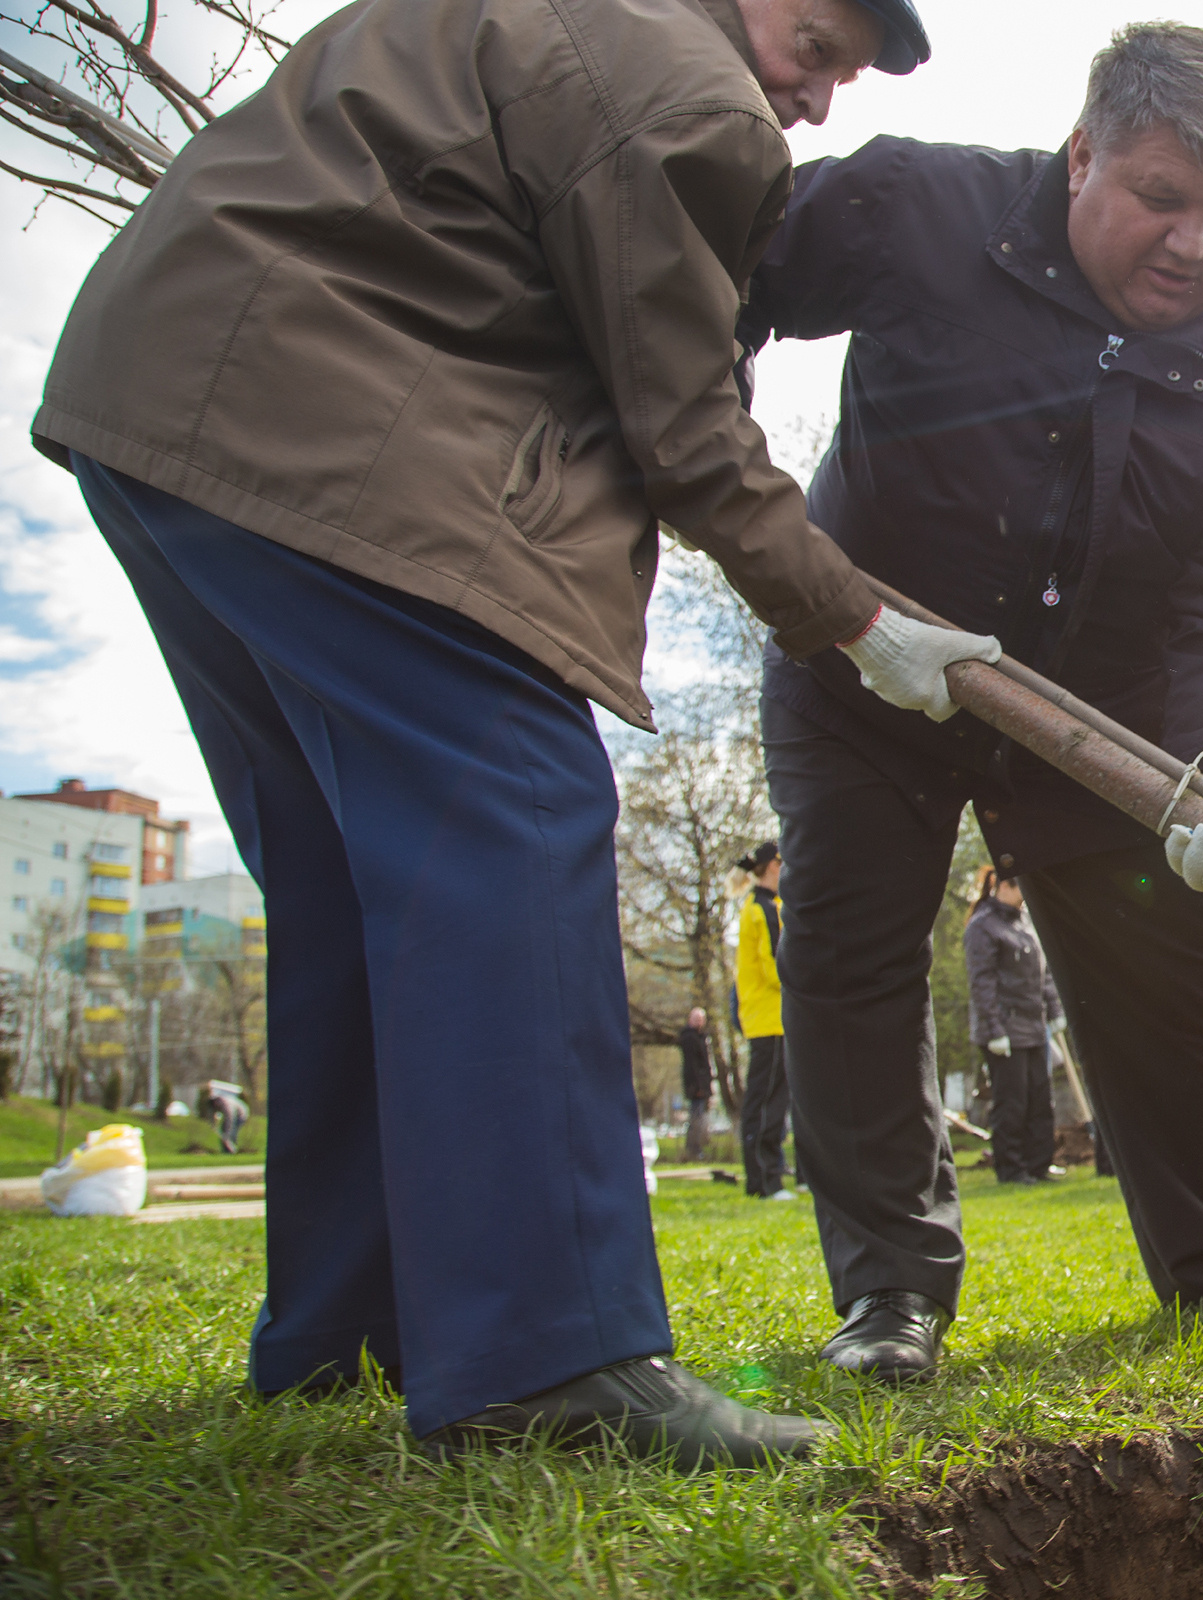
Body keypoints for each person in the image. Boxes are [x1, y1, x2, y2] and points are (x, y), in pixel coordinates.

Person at [35, 0, 934, 1464]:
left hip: (167, 409)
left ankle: (343, 1328)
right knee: (517, 815)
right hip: (339, 430)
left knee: (354, 892)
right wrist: (853, 617)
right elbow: (689, 428)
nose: (818, 101)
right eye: (819, 43)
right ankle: (551, 1357)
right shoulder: (679, 86)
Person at [739, 23, 1203, 1385]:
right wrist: (736, 496)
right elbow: (720, 277)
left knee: (1174, 958)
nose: (1196, 242)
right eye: (1162, 199)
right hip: (870, 664)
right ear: (1083, 155)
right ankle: (891, 1297)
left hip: (1099, 708)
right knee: (855, 953)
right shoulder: (917, 207)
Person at [965, 868, 1066, 1186]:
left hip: (1034, 1026)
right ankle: (1011, 1168)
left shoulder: (1025, 920)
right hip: (1004, 1030)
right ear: (1001, 884)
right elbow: (981, 981)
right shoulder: (983, 925)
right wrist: (994, 1030)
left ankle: (1039, 1164)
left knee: (1040, 1098)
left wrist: (1055, 1009)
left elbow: (1043, 971)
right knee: (1012, 1102)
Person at [734, 844, 798, 1200]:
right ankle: (766, 1177)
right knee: (768, 1103)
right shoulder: (763, 910)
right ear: (771, 867)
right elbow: (777, 966)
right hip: (770, 1018)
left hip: (766, 1018)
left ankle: (764, 1177)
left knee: (766, 1100)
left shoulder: (757, 908)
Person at [677, 1009, 715, 1161]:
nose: (699, 1022)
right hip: (696, 1086)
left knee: (700, 1117)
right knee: (696, 1117)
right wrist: (698, 1087)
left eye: (701, 1019)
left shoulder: (702, 1038)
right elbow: (692, 1065)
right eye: (696, 1019)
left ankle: (697, 1147)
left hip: (703, 1085)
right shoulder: (689, 1038)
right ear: (690, 1019)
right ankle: (693, 1149)